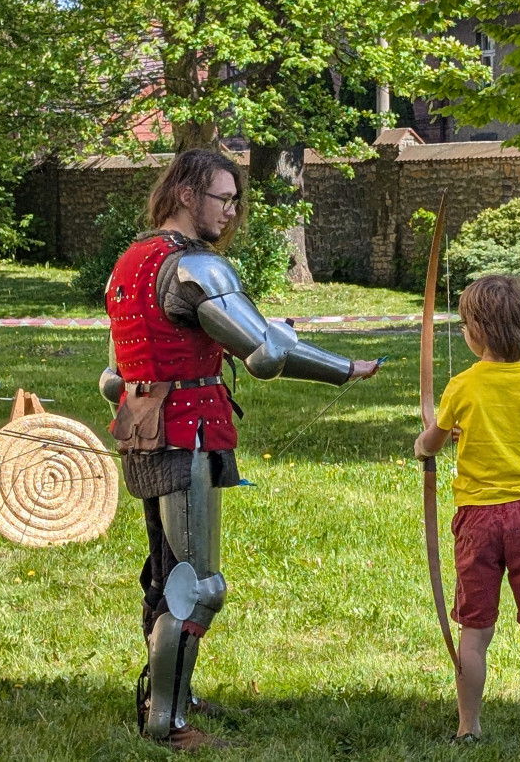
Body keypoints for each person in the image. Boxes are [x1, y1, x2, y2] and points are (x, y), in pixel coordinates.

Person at [98, 149, 380, 751]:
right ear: (186, 194)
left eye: (234, 200)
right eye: (223, 199)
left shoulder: (130, 262)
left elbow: (114, 375)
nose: (231, 212)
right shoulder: (195, 267)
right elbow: (267, 354)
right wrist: (344, 367)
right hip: (185, 431)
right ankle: (167, 722)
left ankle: (170, 692)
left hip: (145, 429)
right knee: (197, 586)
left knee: (169, 573)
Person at [413, 275, 520, 762]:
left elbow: (432, 442)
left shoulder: (462, 385)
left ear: (475, 332)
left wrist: (423, 444)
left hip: (478, 521)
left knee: (475, 631)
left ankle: (468, 728)